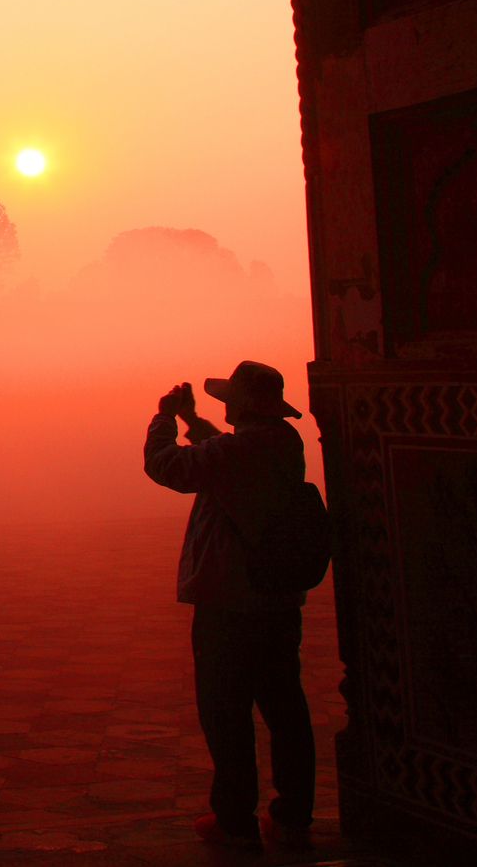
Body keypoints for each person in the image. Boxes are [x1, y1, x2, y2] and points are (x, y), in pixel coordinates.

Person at [143, 360, 315, 852]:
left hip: (230, 602)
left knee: (227, 713)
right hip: (278, 601)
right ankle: (292, 816)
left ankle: (235, 821)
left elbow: (168, 466)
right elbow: (223, 455)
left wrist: (163, 420)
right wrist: (195, 424)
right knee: (286, 710)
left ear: (240, 405)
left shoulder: (240, 450)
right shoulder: (283, 443)